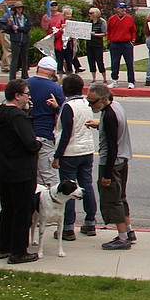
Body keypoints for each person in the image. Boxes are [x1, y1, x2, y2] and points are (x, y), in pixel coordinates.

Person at [0, 79, 40, 263]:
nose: (28, 97)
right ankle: (19, 251)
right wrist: (38, 144)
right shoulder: (18, 118)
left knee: (8, 209)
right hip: (21, 171)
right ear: (17, 96)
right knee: (22, 211)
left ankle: (3, 246)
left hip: (3, 169)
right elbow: (30, 143)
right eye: (26, 94)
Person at [87, 83, 136, 250]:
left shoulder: (108, 115)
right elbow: (113, 131)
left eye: (92, 102)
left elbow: (112, 145)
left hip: (111, 163)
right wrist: (99, 126)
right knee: (121, 196)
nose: (90, 105)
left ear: (103, 99)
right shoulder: (116, 107)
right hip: (122, 159)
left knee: (112, 200)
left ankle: (122, 238)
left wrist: (106, 174)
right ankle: (128, 230)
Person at [53, 73, 97, 240]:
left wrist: (58, 155)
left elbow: (66, 133)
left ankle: (68, 227)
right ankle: (90, 221)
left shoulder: (68, 106)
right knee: (86, 185)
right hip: (86, 150)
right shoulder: (87, 103)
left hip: (70, 153)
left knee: (69, 190)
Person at [27, 56, 63, 186]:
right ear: (53, 72)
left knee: (29, 174)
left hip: (26, 134)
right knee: (48, 177)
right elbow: (63, 113)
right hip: (45, 135)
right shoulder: (56, 89)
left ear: (38, 68)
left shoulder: (24, 85)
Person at [106, 2, 137, 88]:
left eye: (124, 8)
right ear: (117, 9)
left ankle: (131, 81)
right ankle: (114, 80)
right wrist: (109, 40)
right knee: (115, 62)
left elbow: (133, 30)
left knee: (129, 63)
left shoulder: (129, 18)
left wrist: (132, 40)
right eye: (121, 8)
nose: (123, 10)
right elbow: (109, 30)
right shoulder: (112, 19)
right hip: (115, 43)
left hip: (126, 43)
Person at [4, 4, 31, 81]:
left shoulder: (26, 17)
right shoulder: (12, 17)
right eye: (18, 8)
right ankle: (12, 77)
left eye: (21, 7)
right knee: (14, 59)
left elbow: (27, 28)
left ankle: (25, 75)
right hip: (15, 40)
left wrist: (18, 28)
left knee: (24, 58)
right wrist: (9, 24)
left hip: (24, 40)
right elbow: (7, 30)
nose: (19, 9)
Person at [86, 6, 108, 84]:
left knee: (99, 61)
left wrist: (96, 34)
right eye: (89, 13)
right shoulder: (89, 22)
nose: (90, 15)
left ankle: (104, 78)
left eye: (91, 13)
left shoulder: (102, 22)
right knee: (91, 61)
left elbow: (105, 33)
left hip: (98, 44)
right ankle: (94, 78)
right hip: (89, 44)